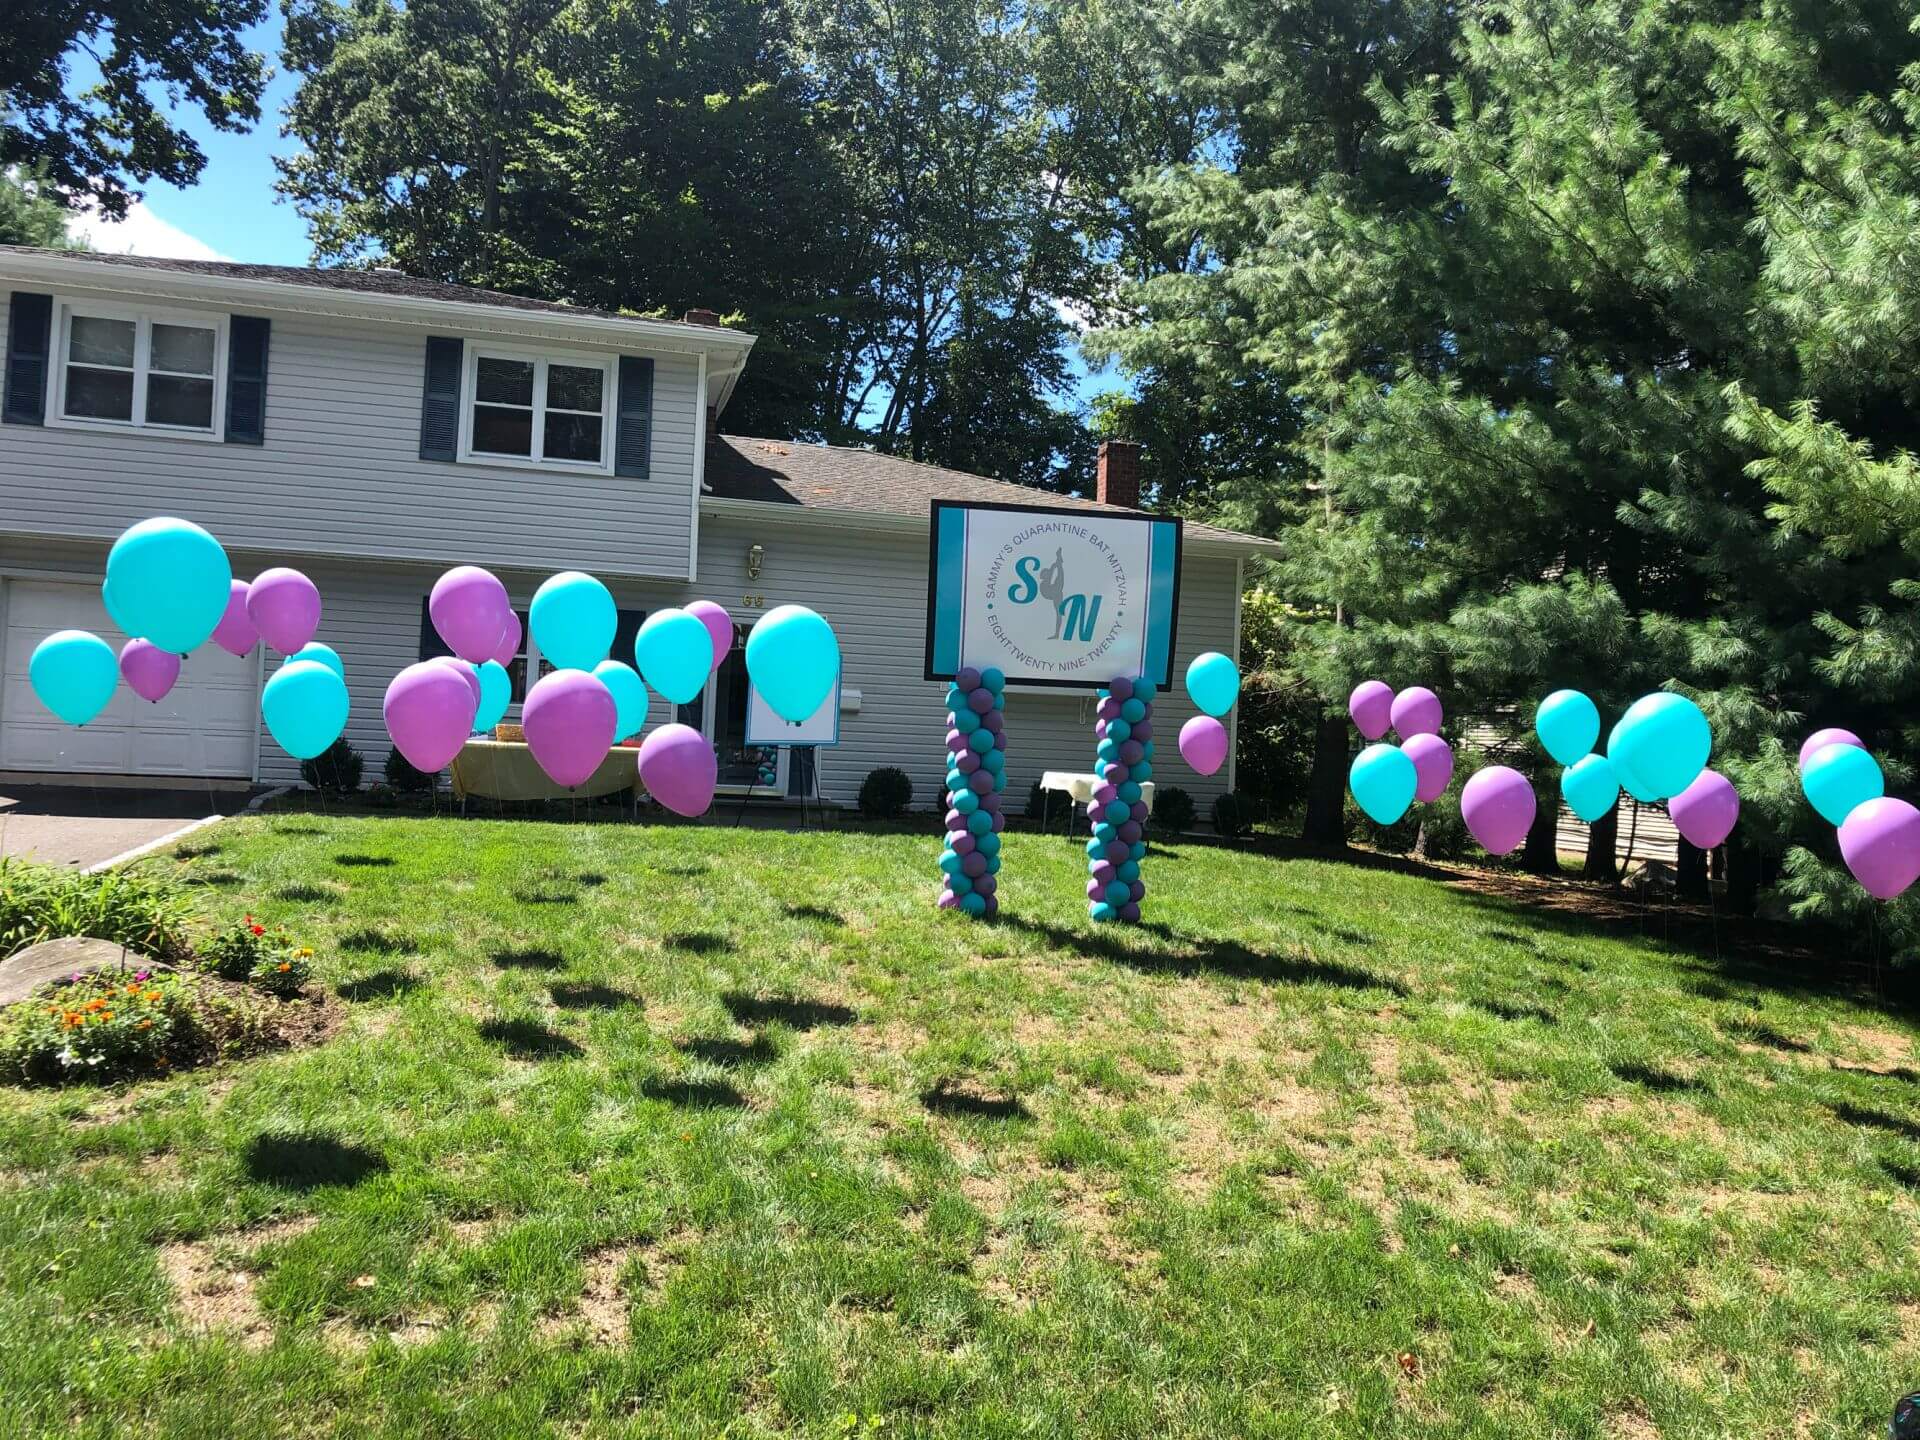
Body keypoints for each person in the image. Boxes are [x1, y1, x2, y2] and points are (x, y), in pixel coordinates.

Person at [1039, 547, 1066, 639]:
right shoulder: (1043, 583)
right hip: (1053, 593)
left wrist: (1056, 564)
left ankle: (1057, 634)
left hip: (1056, 592)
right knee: (1059, 576)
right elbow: (1050, 574)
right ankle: (1057, 634)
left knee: (1060, 576)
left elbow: (1051, 573)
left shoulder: (1047, 581)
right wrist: (1055, 565)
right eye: (1045, 574)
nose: (1047, 574)